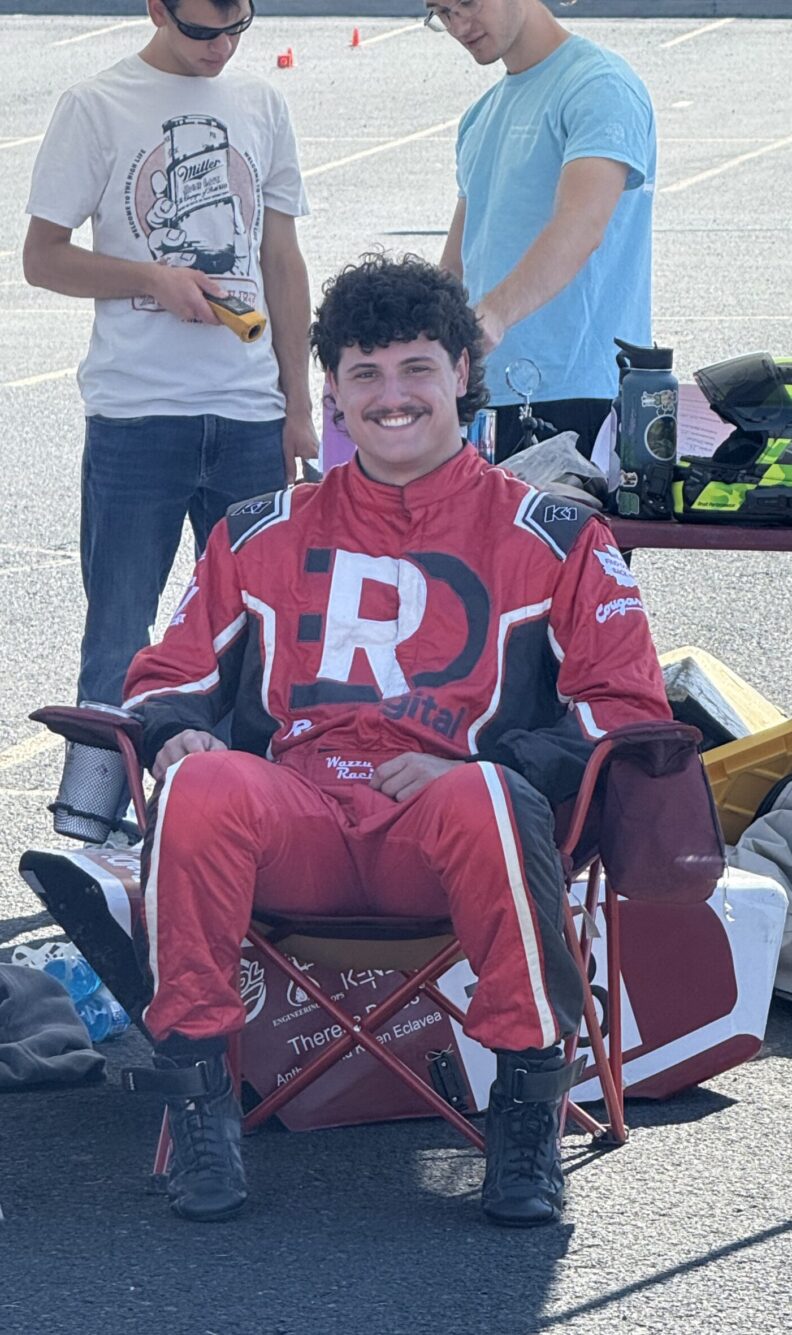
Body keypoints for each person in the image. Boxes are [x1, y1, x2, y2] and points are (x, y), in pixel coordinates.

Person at [120, 254, 670, 1227]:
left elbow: (626, 711)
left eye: (416, 368)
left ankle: (527, 1107)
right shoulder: (260, 532)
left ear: (462, 371)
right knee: (201, 792)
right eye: (364, 374)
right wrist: (172, 736)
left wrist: (486, 763)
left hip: (454, 844)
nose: (392, 396)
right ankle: (200, 1104)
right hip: (302, 832)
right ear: (331, 391)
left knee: (488, 798)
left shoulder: (556, 534)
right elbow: (171, 679)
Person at [23, 0, 317, 722]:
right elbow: (42, 258)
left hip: (251, 415)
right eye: (201, 31)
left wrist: (299, 406)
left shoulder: (261, 103)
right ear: (157, 9)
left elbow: (281, 261)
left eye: (237, 27)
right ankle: (97, 818)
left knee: (258, 631)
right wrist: (152, 278)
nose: (221, 47)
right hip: (138, 416)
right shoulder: (97, 105)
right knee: (120, 632)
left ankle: (245, 808)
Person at [429, 0, 656, 460]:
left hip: (582, 396)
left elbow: (581, 223)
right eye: (441, 12)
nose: (459, 25)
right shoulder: (480, 115)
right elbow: (458, 263)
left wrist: (493, 313)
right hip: (485, 396)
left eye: (468, 3)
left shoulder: (598, 85)